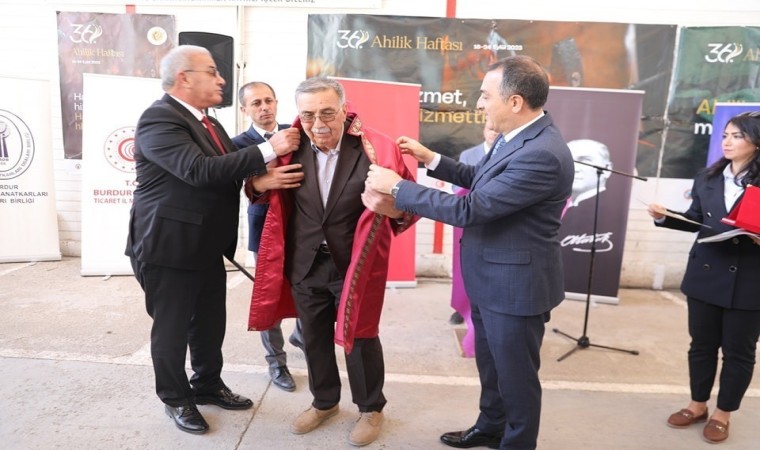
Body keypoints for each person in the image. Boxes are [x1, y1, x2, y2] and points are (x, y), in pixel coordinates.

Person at [364, 55, 574, 450]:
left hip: (516, 289)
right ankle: (491, 427)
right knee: (492, 368)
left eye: (485, 95)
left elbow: (471, 209)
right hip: (491, 279)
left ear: (515, 101)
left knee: (517, 380)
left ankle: (516, 444)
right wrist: (431, 159)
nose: (479, 104)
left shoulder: (541, 153)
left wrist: (398, 188)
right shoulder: (518, 137)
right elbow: (481, 180)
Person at [125, 45, 300, 435]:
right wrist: (270, 148)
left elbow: (224, 172)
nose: (221, 79)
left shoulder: (210, 123)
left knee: (208, 323)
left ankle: (207, 384)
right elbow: (197, 170)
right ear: (184, 77)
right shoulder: (159, 119)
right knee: (171, 330)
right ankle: (176, 398)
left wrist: (260, 182)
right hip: (168, 247)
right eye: (212, 71)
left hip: (205, 245)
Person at [246, 77, 418, 447]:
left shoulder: (375, 148)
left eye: (327, 112)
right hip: (306, 262)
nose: (318, 123)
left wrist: (394, 209)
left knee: (361, 335)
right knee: (313, 337)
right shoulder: (287, 148)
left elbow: (410, 200)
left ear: (344, 109)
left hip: (356, 264)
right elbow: (254, 188)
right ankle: (324, 402)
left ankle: (370, 408)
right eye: (308, 114)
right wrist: (259, 184)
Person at [648, 111, 760, 445]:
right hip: (706, 272)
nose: (727, 141)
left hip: (750, 279)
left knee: (738, 352)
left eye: (737, 136)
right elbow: (696, 219)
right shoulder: (707, 177)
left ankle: (723, 414)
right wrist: (665, 217)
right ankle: (697, 405)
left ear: (756, 141)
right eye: (725, 135)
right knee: (701, 345)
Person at [232, 81, 303, 393]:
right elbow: (229, 184)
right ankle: (276, 362)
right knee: (270, 295)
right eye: (256, 103)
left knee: (308, 289)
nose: (264, 108)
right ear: (244, 109)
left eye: (268, 101)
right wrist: (260, 184)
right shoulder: (237, 144)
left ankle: (303, 335)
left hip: (302, 226)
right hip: (264, 228)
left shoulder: (296, 134)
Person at [450, 121, 500, 337]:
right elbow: (456, 186)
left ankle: (485, 310)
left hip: (497, 219)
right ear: (483, 130)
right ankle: (461, 308)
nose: (494, 134)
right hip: (468, 218)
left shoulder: (510, 154)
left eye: (498, 130)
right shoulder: (468, 155)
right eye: (490, 129)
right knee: (463, 266)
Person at [567, 138, 612, 208]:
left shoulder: (611, 206)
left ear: (607, 169)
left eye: (585, 161)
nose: (574, 169)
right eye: (568, 160)